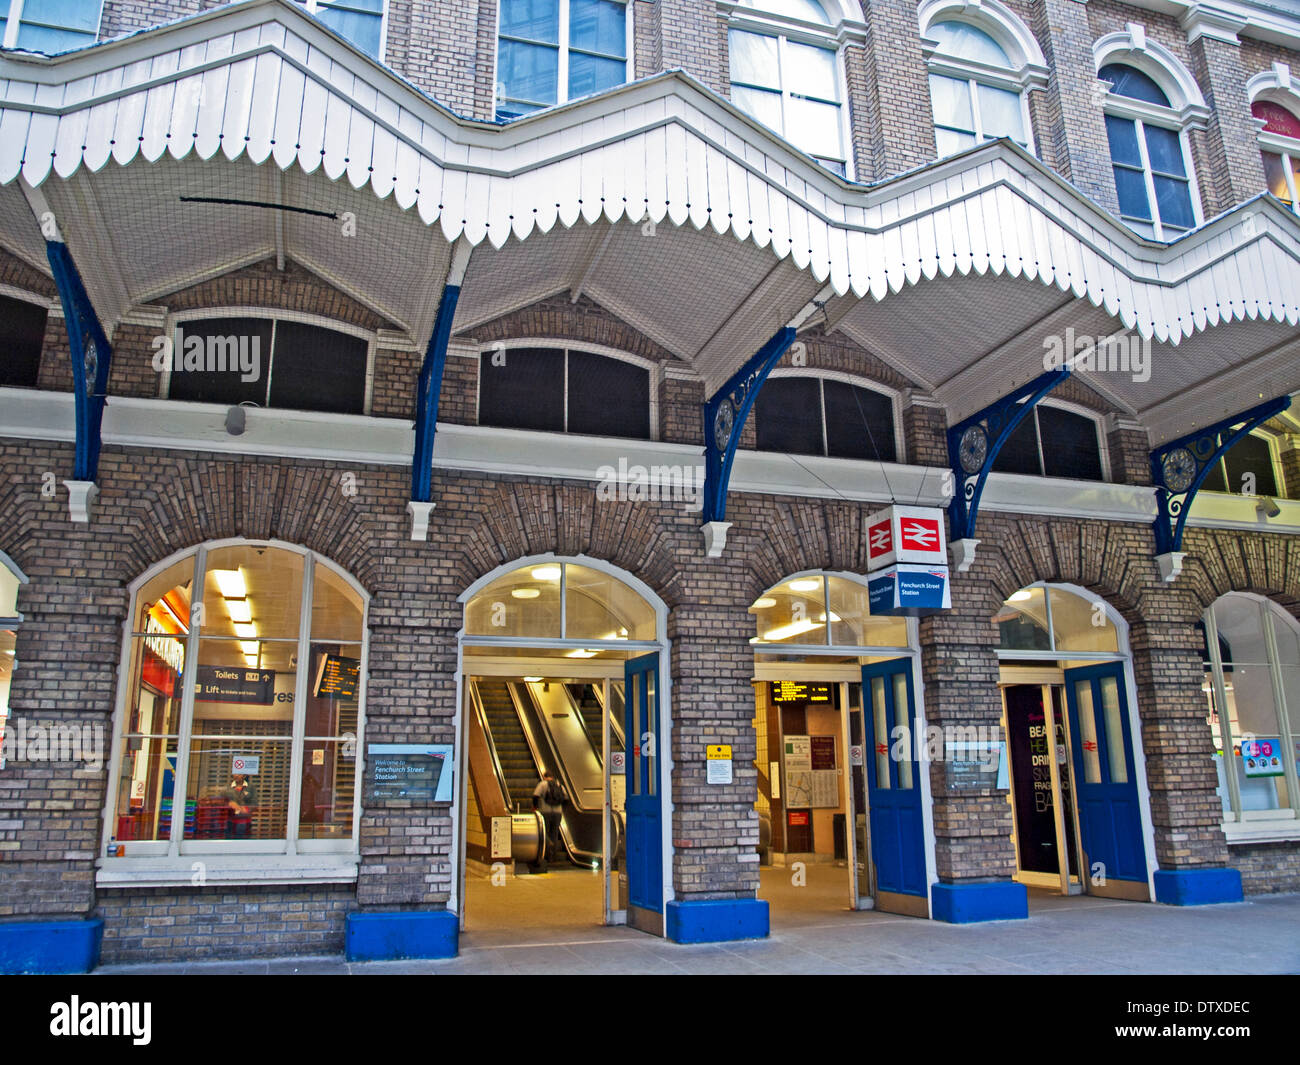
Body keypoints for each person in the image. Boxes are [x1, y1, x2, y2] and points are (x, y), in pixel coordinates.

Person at [530, 771, 568, 872]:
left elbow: (535, 796)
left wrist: (535, 807)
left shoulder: (542, 784)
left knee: (544, 833)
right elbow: (565, 797)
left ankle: (545, 853)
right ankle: (553, 856)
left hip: (545, 811)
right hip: (558, 813)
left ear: (545, 776)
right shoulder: (559, 785)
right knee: (554, 833)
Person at [224, 773, 256, 839]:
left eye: (239, 774)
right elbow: (221, 801)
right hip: (231, 821)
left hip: (245, 820)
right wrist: (229, 803)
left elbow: (254, 803)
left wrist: (245, 810)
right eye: (235, 773)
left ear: (244, 776)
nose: (236, 775)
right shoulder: (227, 787)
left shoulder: (250, 787)